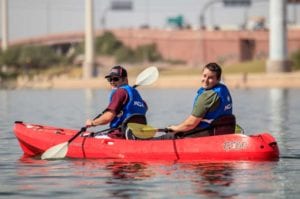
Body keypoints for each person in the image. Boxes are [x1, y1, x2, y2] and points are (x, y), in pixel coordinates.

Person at [163, 62, 235, 139]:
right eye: (204, 76)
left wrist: (175, 128)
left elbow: (191, 124)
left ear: (218, 79)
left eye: (210, 78)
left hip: (206, 133)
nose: (206, 80)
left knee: (167, 137)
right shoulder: (224, 89)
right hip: (221, 132)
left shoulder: (207, 96)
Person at [85, 65, 148, 139]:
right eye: (110, 79)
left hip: (118, 135)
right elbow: (145, 107)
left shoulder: (119, 92)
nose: (112, 82)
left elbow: (108, 117)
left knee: (83, 137)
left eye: (115, 79)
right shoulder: (135, 93)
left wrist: (92, 123)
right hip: (136, 136)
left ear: (125, 80)